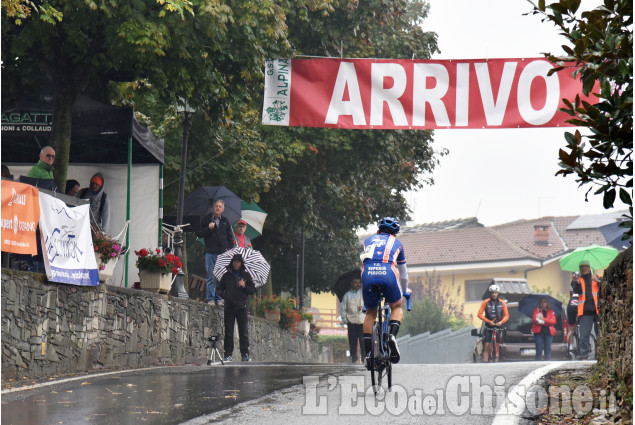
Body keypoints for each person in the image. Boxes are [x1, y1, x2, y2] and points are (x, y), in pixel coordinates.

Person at [360, 217, 410, 370]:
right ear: (394, 234)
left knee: (370, 313)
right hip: (388, 274)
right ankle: (392, 336)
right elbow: (403, 275)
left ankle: (369, 355)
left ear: (378, 231)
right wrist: (405, 289)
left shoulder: (367, 241)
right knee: (397, 306)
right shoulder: (397, 244)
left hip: (367, 275)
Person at [217, 253, 256, 362]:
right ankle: (228, 354)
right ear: (232, 262)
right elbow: (219, 289)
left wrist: (245, 286)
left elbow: (252, 290)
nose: (236, 263)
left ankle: (245, 354)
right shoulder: (226, 276)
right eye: (234, 261)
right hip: (229, 306)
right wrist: (225, 296)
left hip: (242, 307)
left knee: (243, 331)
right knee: (228, 331)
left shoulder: (246, 276)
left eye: (238, 261)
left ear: (241, 263)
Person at [197, 199, 234, 306]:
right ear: (213, 208)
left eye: (220, 206)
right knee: (210, 276)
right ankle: (210, 298)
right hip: (210, 252)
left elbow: (230, 238)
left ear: (223, 209)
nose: (218, 208)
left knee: (220, 277)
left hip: (222, 254)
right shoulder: (207, 219)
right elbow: (199, 234)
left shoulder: (226, 221)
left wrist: (229, 249)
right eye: (216, 206)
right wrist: (208, 228)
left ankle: (218, 298)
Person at [477, 284, 509, 362]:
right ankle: (485, 361)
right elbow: (479, 314)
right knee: (486, 345)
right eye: (492, 293)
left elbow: (506, 315)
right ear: (490, 293)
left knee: (497, 344)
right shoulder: (485, 302)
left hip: (499, 326)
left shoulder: (502, 303)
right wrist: (488, 321)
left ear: (498, 293)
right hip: (488, 326)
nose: (494, 294)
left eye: (495, 293)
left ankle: (497, 360)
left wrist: (501, 322)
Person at [577, 260, 599, 359]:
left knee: (601, 335)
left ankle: (600, 356)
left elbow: (607, 289)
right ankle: (584, 356)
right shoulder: (577, 280)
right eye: (581, 267)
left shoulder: (597, 278)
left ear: (590, 268)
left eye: (586, 266)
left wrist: (598, 281)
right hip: (585, 312)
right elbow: (576, 292)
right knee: (584, 336)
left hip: (598, 311)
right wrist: (576, 283)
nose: (584, 268)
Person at [341, 276, 365, 364]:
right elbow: (343, 309)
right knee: (352, 342)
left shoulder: (364, 294)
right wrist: (346, 321)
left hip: (362, 321)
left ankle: (364, 358)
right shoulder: (347, 295)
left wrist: (363, 308)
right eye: (355, 282)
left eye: (359, 282)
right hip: (352, 322)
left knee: (363, 341)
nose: (358, 284)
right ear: (351, 284)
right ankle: (354, 359)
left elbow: (369, 306)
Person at [532, 297, 556, 361]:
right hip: (539, 333)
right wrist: (546, 322)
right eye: (541, 302)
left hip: (548, 333)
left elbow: (553, 321)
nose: (543, 304)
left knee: (547, 350)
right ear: (539, 303)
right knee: (539, 350)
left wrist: (544, 319)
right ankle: (537, 364)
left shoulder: (551, 311)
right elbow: (534, 319)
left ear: (547, 303)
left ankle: (547, 364)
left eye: (544, 302)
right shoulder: (536, 310)